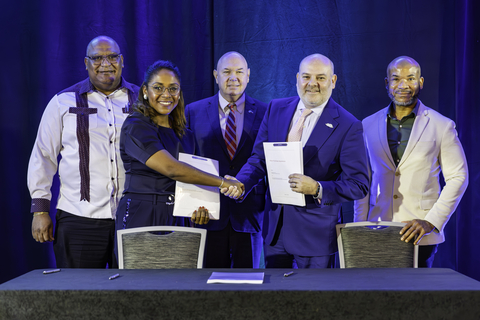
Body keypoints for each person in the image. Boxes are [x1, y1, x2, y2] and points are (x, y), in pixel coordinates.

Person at [225, 53, 369, 269]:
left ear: (333, 80)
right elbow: (259, 159)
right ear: (297, 78)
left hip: (316, 236)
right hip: (275, 231)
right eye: (306, 77)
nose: (312, 84)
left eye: (320, 77)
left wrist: (318, 188)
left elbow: (359, 185)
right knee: (276, 300)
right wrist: (242, 183)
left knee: (314, 301)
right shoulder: (276, 109)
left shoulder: (348, 125)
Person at [28, 36, 139, 268]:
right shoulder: (62, 102)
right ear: (86, 63)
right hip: (79, 218)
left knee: (134, 297)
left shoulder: (141, 101)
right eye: (97, 58)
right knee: (78, 297)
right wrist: (40, 211)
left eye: (112, 57)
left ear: (122, 60)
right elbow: (43, 156)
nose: (105, 63)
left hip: (134, 217)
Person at [353, 56, 469, 267]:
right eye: (396, 78)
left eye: (411, 78)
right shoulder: (367, 124)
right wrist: (359, 227)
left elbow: (458, 177)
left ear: (421, 82)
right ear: (387, 83)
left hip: (419, 234)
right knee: (374, 296)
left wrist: (431, 221)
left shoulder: (442, 125)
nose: (403, 85)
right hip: (376, 230)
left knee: (415, 298)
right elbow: (363, 179)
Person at [116, 60, 243, 233]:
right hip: (142, 216)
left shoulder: (186, 135)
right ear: (145, 91)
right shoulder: (136, 126)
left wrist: (199, 207)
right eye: (158, 87)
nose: (166, 94)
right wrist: (223, 183)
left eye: (173, 88)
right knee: (145, 262)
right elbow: (172, 169)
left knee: (179, 262)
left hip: (177, 221)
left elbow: (190, 179)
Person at [185, 52, 267, 268]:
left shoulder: (266, 112)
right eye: (227, 72)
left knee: (249, 285)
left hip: (250, 215)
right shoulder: (193, 111)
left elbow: (266, 161)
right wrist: (192, 205)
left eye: (239, 72)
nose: (234, 77)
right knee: (209, 290)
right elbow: (187, 162)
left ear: (248, 75)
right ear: (215, 75)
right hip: (206, 214)